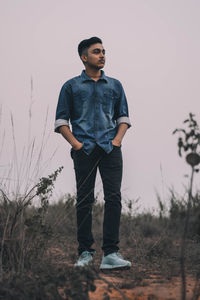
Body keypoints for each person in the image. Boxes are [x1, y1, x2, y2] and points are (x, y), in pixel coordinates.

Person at [55, 37, 131, 270]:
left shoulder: (115, 85)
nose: (102, 55)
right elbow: (60, 121)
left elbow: (124, 118)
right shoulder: (71, 86)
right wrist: (77, 145)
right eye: (96, 52)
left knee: (114, 199)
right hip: (84, 150)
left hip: (110, 149)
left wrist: (117, 140)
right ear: (84, 57)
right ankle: (85, 254)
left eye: (104, 51)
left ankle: (111, 254)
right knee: (84, 200)